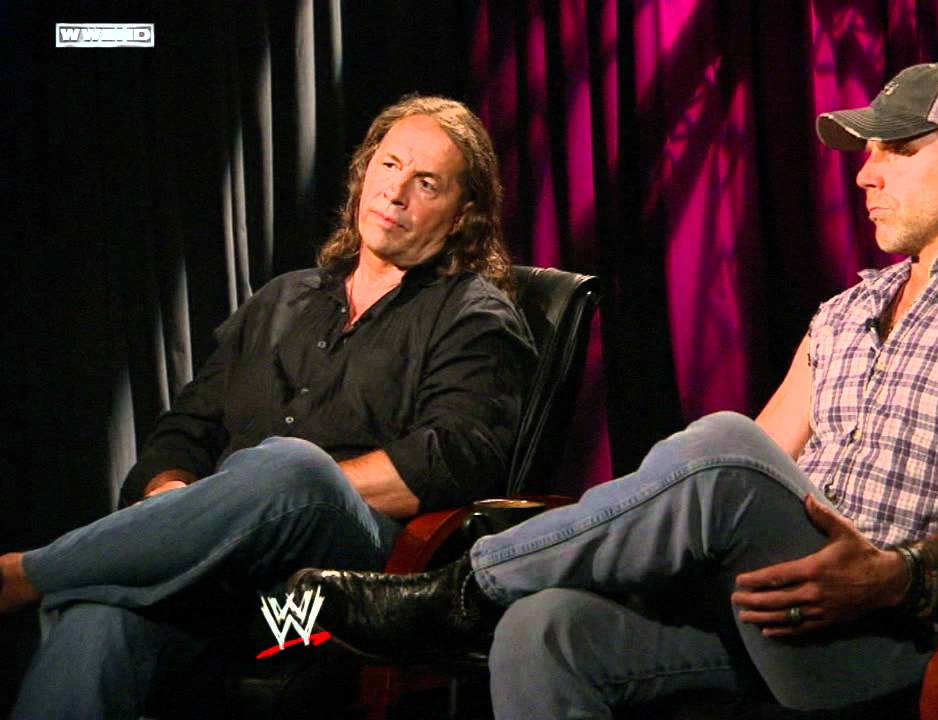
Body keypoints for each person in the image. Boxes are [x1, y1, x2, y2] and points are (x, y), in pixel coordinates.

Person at [294, 63, 938, 717]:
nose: (864, 175)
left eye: (897, 150)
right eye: (866, 153)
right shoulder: (849, 312)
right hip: (784, 618)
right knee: (543, 629)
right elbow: (748, 473)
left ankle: (458, 593)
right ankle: (489, 598)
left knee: (723, 446)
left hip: (915, 632)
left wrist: (905, 575)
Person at [0, 95, 536, 718]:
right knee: (97, 613)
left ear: (464, 215)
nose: (395, 193)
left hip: (336, 599)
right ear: (364, 170)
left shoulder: (473, 315)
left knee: (290, 468)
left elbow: (455, 458)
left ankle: (25, 574)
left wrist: (279, 495)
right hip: (223, 585)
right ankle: (96, 572)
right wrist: (178, 504)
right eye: (389, 166)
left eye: (426, 183)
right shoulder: (282, 300)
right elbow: (185, 429)